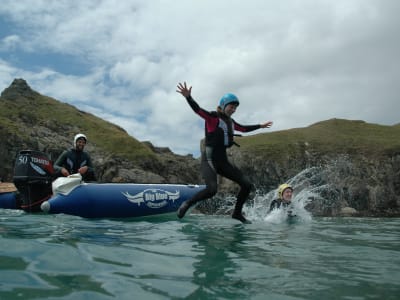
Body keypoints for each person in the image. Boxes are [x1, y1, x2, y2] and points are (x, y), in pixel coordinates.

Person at [176, 82, 273, 223]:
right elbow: (198, 110)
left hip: (222, 161)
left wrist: (260, 126)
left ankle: (237, 213)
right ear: (223, 105)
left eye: (235, 108)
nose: (233, 109)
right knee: (212, 190)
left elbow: (244, 129)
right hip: (209, 159)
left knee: (246, 184)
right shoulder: (213, 117)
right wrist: (188, 97)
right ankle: (188, 203)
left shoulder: (231, 122)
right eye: (231, 106)